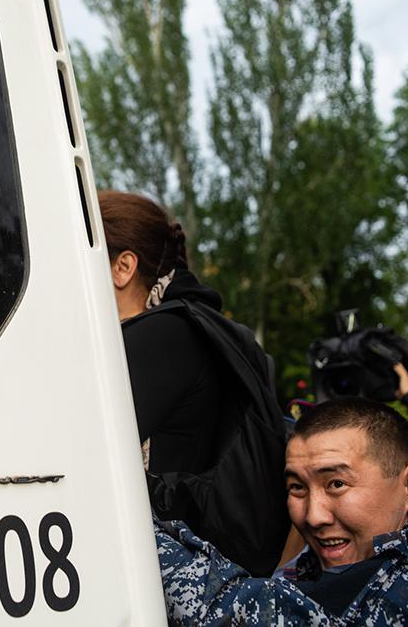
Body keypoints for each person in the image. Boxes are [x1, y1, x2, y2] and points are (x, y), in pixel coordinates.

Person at [154, 398, 408, 625]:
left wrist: (136, 530)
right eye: (297, 488)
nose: (314, 516)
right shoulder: (336, 563)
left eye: (336, 484)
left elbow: (225, 608)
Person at [98, 190, 288, 577]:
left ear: (123, 267)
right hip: (209, 565)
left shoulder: (157, 335)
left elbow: (79, 450)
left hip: (167, 568)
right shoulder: (192, 324)